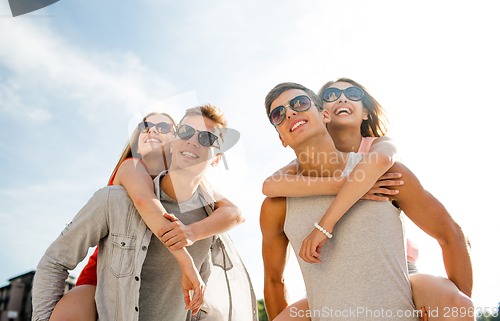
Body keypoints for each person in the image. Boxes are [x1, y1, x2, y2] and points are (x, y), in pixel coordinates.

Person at [262, 78, 474, 320]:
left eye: (299, 103)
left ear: (324, 115)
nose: (290, 113)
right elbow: (273, 280)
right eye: (278, 115)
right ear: (280, 138)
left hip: (399, 299)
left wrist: (446, 312)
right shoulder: (277, 203)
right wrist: (345, 185)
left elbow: (451, 234)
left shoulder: (386, 174)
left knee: (457, 304)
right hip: (329, 307)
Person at [32, 105, 256, 321]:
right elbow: (144, 200)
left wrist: (191, 232)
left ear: (217, 158)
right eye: (186, 131)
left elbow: (235, 212)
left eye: (207, 138)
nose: (193, 140)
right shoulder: (122, 188)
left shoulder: (211, 215)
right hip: (95, 285)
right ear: (175, 143)